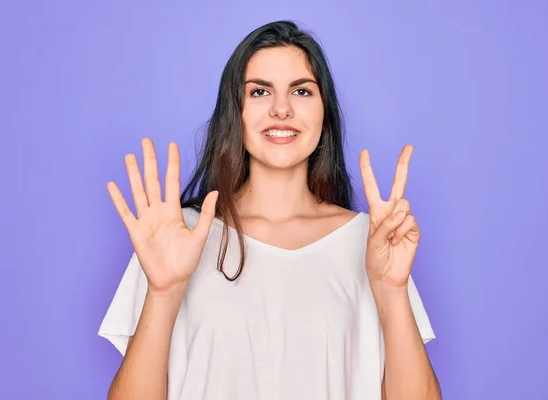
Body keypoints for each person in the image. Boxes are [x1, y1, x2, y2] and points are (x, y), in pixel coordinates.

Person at [98, 20, 440, 400]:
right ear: (236, 112)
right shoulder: (179, 236)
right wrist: (164, 292)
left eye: (301, 91)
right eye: (260, 91)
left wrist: (391, 290)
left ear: (324, 112)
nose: (281, 109)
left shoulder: (373, 242)